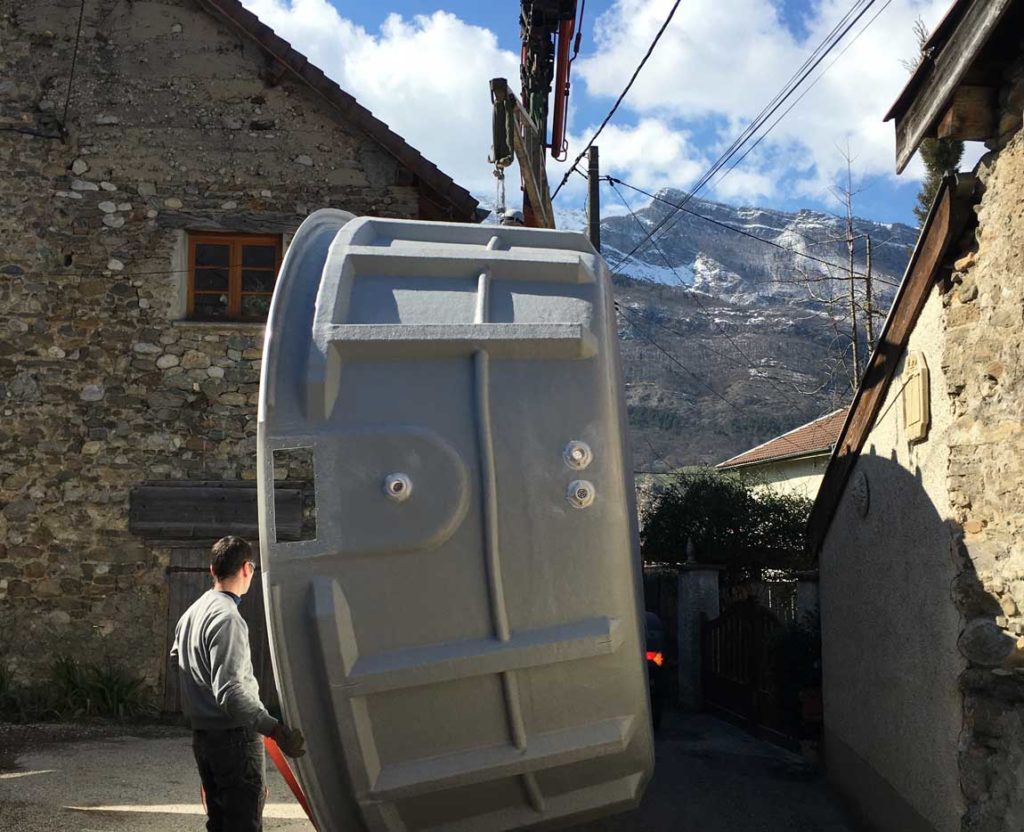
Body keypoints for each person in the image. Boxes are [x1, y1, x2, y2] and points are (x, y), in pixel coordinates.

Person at [171, 535, 306, 832]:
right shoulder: (227, 617)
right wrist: (274, 729)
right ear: (247, 569)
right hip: (233, 740)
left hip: (205, 739)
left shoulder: (190, 614)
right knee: (242, 824)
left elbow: (183, 667)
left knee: (219, 823)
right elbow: (231, 692)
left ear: (211, 570)